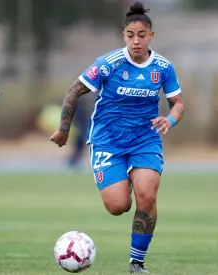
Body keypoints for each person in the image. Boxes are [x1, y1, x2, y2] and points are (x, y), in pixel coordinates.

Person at [50, 1, 184, 273]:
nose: (136, 41)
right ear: (124, 35)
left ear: (151, 36)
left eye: (142, 36)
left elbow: (178, 103)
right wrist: (64, 130)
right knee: (118, 205)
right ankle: (128, 179)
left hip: (145, 139)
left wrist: (170, 119)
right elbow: (74, 91)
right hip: (107, 141)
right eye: (130, 35)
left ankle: (136, 262)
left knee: (147, 195)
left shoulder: (163, 67)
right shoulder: (108, 64)